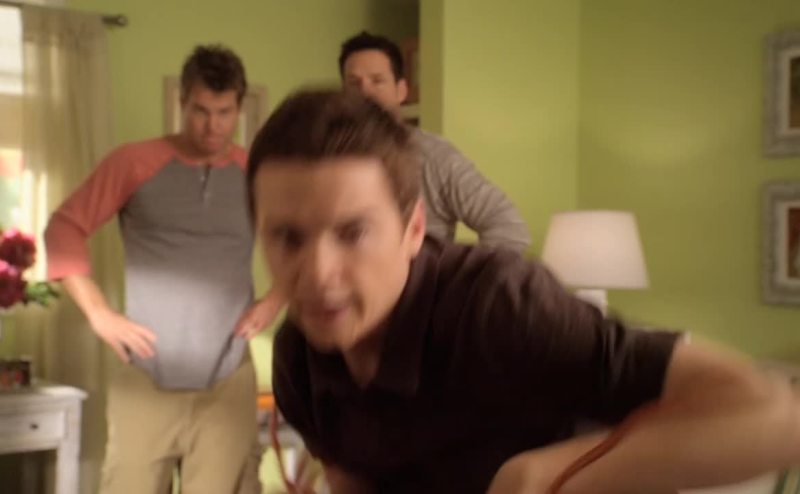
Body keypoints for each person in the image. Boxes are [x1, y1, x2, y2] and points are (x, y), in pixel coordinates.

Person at [246, 88, 800, 494]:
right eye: (287, 238)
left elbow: (777, 419)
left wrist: (547, 475)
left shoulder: (500, 306)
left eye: (353, 233)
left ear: (413, 230)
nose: (317, 274)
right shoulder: (299, 360)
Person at [45, 45, 278, 494]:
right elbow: (64, 228)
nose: (212, 126)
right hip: (146, 376)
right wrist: (99, 313)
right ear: (182, 102)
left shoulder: (257, 173)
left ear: (239, 109)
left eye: (224, 113)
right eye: (201, 111)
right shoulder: (133, 162)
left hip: (228, 377)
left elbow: (304, 240)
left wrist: (275, 300)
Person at [339, 31, 531, 252]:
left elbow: (509, 226)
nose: (365, 92)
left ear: (401, 91)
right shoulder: (327, 156)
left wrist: (465, 273)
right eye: (354, 83)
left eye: (377, 81)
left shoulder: (434, 155)